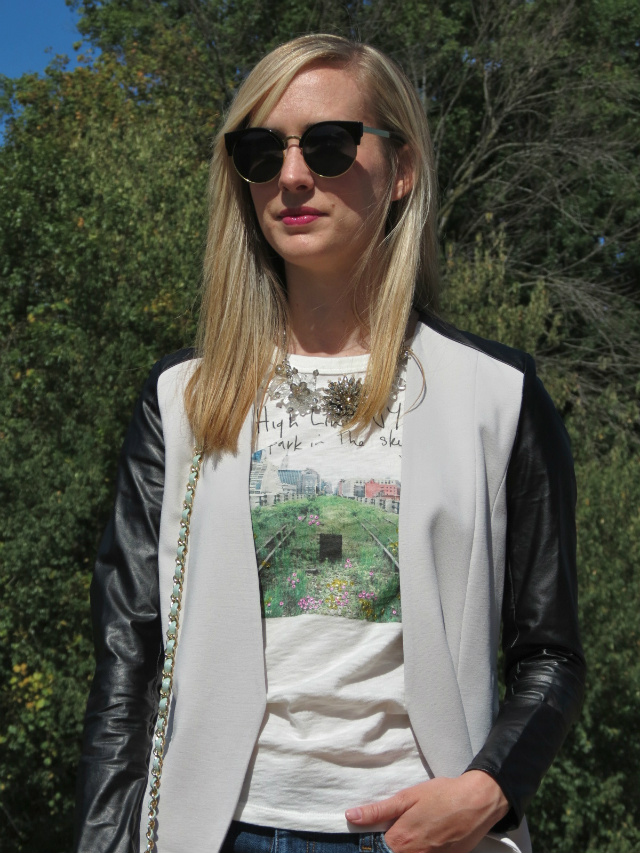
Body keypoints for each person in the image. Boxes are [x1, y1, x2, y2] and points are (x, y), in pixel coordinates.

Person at [74, 33, 585, 853]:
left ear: (402, 168)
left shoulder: (498, 396)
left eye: (329, 143)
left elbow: (551, 651)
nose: (294, 175)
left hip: (423, 839)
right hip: (213, 833)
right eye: (259, 150)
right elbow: (127, 656)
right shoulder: (181, 399)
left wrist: (490, 790)